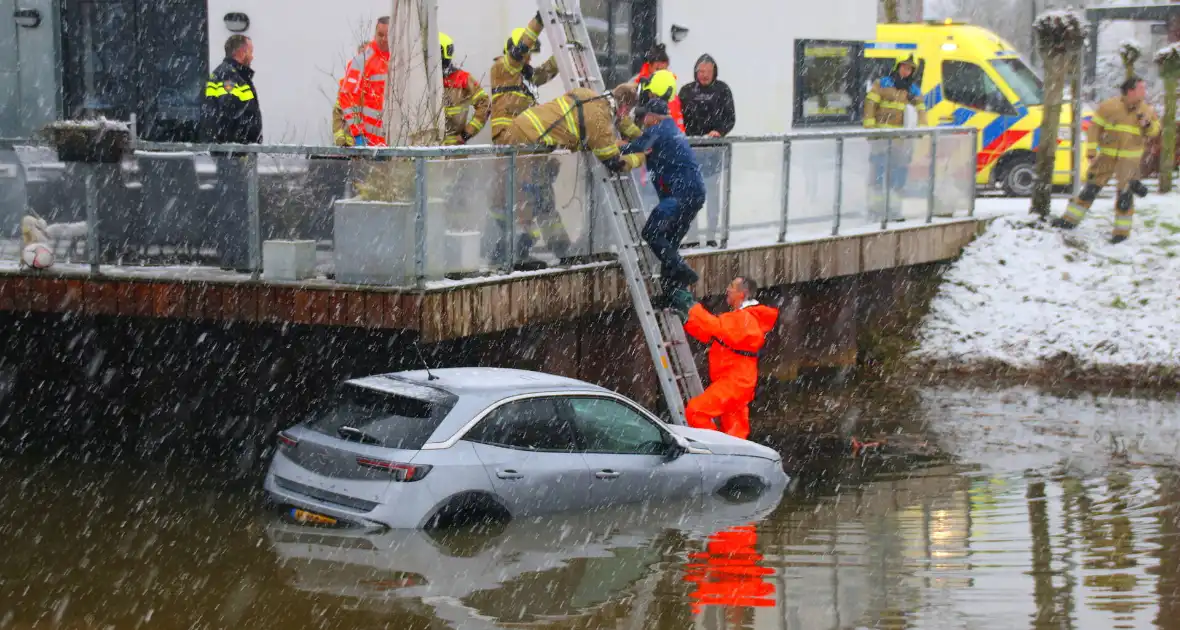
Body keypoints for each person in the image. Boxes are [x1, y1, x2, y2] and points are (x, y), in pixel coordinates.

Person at [497, 84, 644, 266]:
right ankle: (517, 254)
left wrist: (641, 137)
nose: (627, 116)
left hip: (527, 132)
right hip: (526, 140)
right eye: (628, 111)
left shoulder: (591, 97)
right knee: (529, 197)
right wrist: (641, 156)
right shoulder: (598, 119)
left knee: (542, 196)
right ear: (624, 107)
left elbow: (620, 121)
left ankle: (560, 247)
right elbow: (614, 161)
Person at [620, 70, 705, 309]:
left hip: (679, 195)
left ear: (653, 117)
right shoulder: (670, 129)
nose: (643, 121)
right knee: (669, 241)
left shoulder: (658, 131)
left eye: (645, 117)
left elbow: (630, 148)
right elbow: (642, 142)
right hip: (694, 194)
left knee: (651, 233)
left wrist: (612, 144)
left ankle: (682, 272)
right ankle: (673, 294)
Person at [486, 12, 561, 267]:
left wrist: (562, 55)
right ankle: (511, 250)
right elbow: (523, 47)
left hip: (524, 146)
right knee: (517, 196)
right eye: (527, 55)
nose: (529, 59)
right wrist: (539, 22)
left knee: (527, 196)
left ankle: (520, 247)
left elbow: (542, 75)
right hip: (511, 143)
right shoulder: (504, 67)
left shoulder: (522, 77)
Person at [1051, 76, 1158, 244]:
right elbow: (1094, 128)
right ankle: (1069, 221)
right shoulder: (1109, 106)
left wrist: (1148, 125)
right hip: (1106, 156)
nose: (1145, 92)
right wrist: (1092, 150)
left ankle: (1121, 233)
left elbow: (1154, 132)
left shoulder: (1147, 110)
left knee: (1125, 196)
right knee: (1090, 189)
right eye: (1141, 88)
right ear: (1131, 91)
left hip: (1129, 160)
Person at [683, 276, 779, 441]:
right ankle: (733, 460)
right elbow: (710, 333)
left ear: (743, 293)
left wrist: (691, 307)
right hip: (738, 382)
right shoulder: (745, 317)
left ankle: (716, 450)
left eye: (731, 286)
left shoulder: (745, 318)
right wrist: (687, 318)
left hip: (733, 382)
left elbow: (714, 326)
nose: (727, 289)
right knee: (736, 435)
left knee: (695, 411)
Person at [200, 34, 262, 272]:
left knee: (233, 205)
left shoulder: (230, 75)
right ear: (241, 52)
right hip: (233, 154)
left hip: (234, 153)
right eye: (251, 50)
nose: (253, 55)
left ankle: (234, 257)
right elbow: (230, 115)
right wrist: (242, 145)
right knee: (236, 206)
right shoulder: (230, 77)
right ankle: (239, 259)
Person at [679, 53, 735, 247]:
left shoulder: (722, 90)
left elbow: (730, 118)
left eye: (708, 72)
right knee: (691, 195)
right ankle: (692, 236)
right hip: (690, 151)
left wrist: (719, 131)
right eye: (701, 71)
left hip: (713, 152)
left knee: (712, 194)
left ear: (714, 72)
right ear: (696, 71)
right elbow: (678, 117)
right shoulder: (687, 91)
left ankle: (711, 235)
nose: (704, 75)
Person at [863, 55, 926, 223]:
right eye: (904, 67)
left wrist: (921, 129)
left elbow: (921, 109)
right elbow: (870, 105)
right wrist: (870, 128)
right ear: (898, 67)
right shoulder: (882, 84)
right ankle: (875, 209)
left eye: (910, 69)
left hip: (901, 141)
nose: (906, 71)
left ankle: (894, 210)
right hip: (881, 138)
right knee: (878, 172)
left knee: (898, 176)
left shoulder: (912, 89)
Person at [339, 16, 391, 147]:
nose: (384, 39)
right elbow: (348, 97)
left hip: (396, 142)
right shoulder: (362, 61)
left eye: (388, 35)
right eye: (380, 35)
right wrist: (358, 133)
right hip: (370, 143)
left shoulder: (401, 59)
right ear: (375, 33)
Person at [439, 33, 490, 146]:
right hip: (429, 150)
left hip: (455, 152)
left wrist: (466, 134)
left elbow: (485, 106)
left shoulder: (463, 79)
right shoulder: (424, 80)